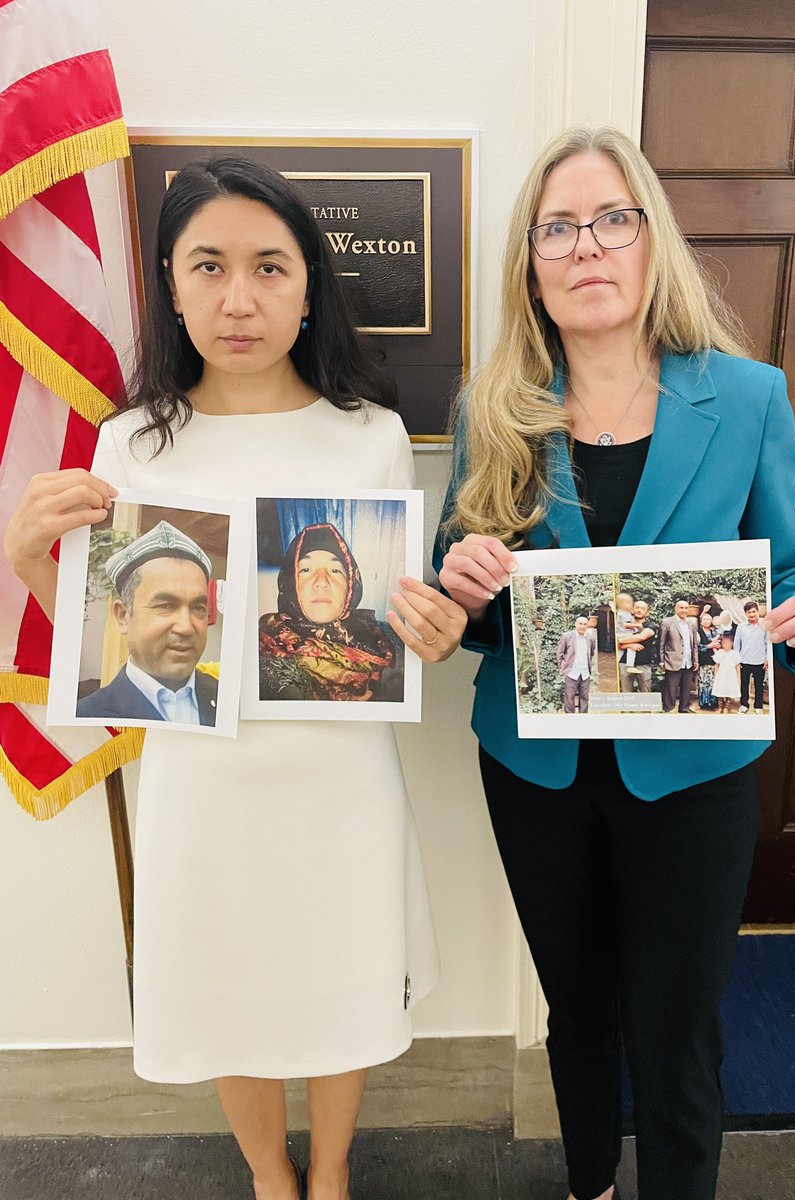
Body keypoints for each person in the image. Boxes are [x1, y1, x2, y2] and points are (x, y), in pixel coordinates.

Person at [4, 156, 467, 1200]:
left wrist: (430, 627)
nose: (240, 298)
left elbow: (394, 617)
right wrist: (34, 560)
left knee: (345, 969)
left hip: (339, 776)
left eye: (270, 267)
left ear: (310, 286)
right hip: (199, 784)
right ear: (170, 283)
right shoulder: (131, 444)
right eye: (208, 267)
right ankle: (269, 1174)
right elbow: (109, 634)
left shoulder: (371, 438)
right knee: (227, 985)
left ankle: (335, 1167)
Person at [434, 125, 795, 1200]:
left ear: (649, 239)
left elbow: (788, 571)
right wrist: (465, 583)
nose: (588, 247)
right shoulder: (494, 408)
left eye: (612, 220)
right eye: (559, 228)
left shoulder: (749, 396)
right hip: (537, 771)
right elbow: (461, 585)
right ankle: (587, 1182)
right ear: (532, 261)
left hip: (694, 777)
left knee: (677, 1024)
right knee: (576, 1007)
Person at [76, 520, 218, 724]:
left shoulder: (229, 703)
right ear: (123, 616)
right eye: (165, 606)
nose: (186, 627)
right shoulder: (89, 718)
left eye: (198, 608)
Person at [258, 522, 398, 702]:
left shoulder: (389, 638)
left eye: (335, 570)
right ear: (290, 583)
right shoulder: (261, 653)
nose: (322, 581)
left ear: (351, 585)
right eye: (306, 569)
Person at [657, 598, 700, 713]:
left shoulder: (691, 624)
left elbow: (694, 644)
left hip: (689, 662)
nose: (684, 610)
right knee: (671, 688)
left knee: (687, 688)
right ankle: (669, 709)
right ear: (675, 609)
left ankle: (684, 708)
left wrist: (696, 660)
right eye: (681, 607)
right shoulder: (667, 622)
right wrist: (661, 661)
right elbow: (661, 643)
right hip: (672, 660)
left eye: (686, 608)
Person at [556, 614, 596, 712]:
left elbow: (591, 653)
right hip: (571, 673)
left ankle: (583, 719)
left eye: (585, 624)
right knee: (569, 698)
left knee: (585, 698)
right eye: (580, 624)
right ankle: (570, 721)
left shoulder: (590, 638)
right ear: (575, 625)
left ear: (587, 626)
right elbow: (559, 653)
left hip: (585, 674)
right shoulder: (567, 636)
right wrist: (563, 668)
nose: (582, 626)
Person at [615, 597, 655, 693]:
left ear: (647, 613)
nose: (639, 610)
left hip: (644, 663)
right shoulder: (625, 626)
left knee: (645, 692)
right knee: (626, 692)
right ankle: (627, 708)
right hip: (625, 663)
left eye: (642, 608)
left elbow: (641, 637)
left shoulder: (651, 625)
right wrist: (629, 646)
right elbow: (616, 646)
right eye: (637, 607)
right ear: (632, 610)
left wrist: (620, 640)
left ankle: (645, 708)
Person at [734, 600, 768, 713]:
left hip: (760, 661)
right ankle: (744, 705)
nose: (752, 614)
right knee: (744, 685)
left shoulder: (764, 625)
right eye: (749, 612)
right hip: (745, 660)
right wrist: (737, 660)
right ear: (746, 613)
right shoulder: (741, 627)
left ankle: (758, 706)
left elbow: (768, 642)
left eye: (754, 611)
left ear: (757, 611)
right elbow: (737, 644)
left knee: (759, 685)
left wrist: (767, 658)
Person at [695, 608, 720, 711]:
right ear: (701, 622)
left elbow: (719, 643)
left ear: (711, 622)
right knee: (703, 682)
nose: (706, 621)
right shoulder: (698, 632)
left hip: (714, 661)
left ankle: (713, 704)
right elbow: (696, 647)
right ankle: (702, 703)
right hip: (703, 661)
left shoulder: (714, 632)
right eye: (704, 619)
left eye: (708, 619)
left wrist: (716, 646)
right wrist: (709, 646)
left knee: (713, 682)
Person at [711, 632, 741, 713]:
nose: (726, 645)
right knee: (720, 690)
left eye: (728, 643)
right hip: (721, 675)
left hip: (731, 675)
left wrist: (738, 677)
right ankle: (720, 706)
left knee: (729, 690)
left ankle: (727, 707)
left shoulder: (734, 654)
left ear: (732, 643)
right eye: (724, 643)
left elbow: (737, 666)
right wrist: (716, 675)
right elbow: (717, 664)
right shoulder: (720, 653)